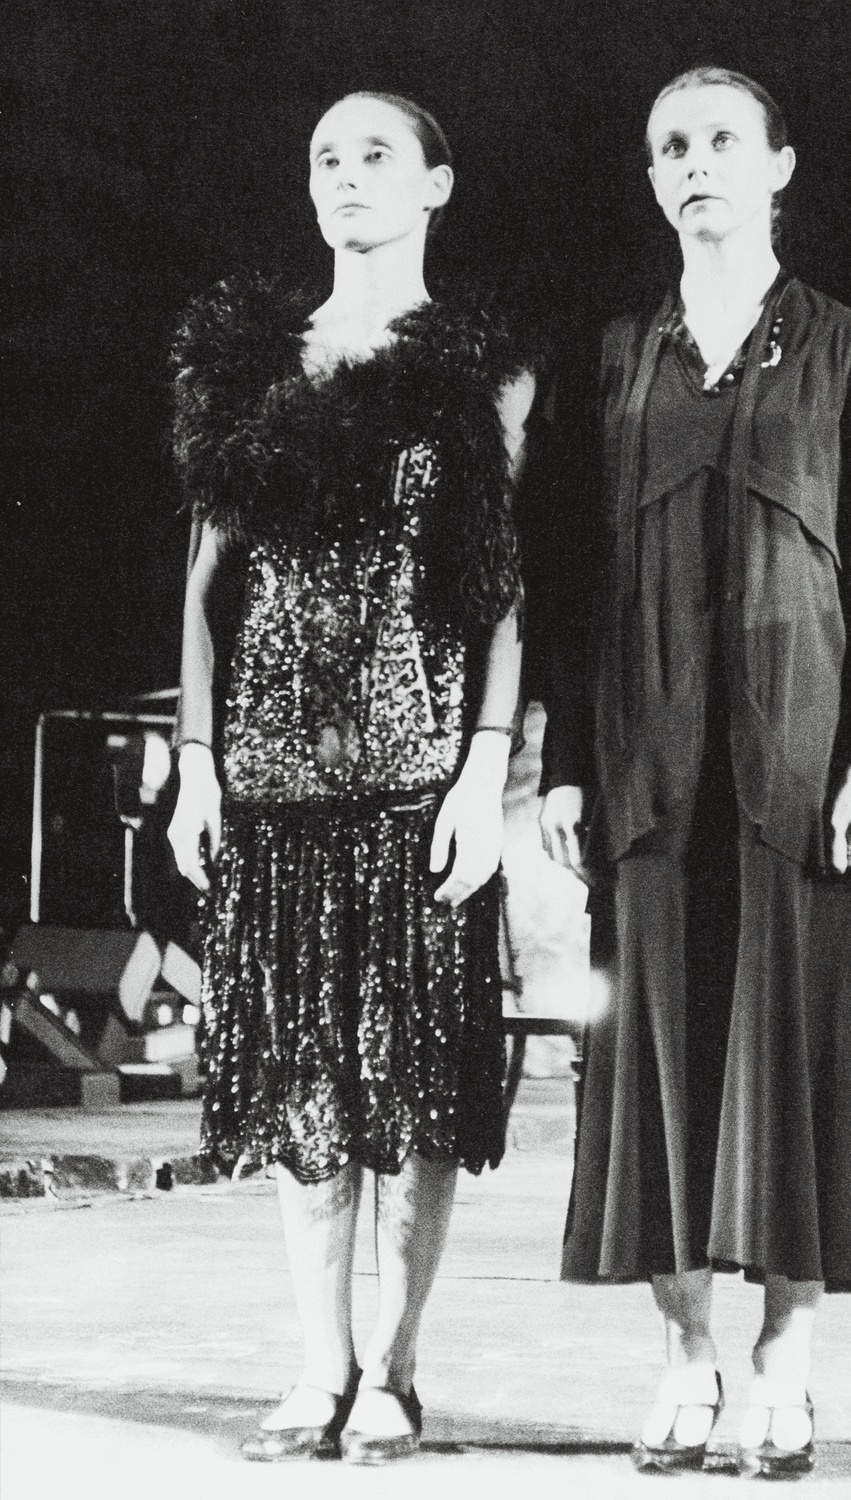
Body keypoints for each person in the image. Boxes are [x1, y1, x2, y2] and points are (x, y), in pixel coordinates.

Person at [539, 66, 851, 1478]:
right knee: (650, 1067)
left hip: (791, 766)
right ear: (651, 180)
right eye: (668, 147)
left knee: (791, 1070)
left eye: (718, 141)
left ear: (778, 166)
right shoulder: (613, 358)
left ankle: (784, 1361)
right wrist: (566, 768)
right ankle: (684, 1357)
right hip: (647, 765)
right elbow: (575, 579)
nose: (692, 163)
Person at [167, 90, 533, 1464]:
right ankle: (317, 1363)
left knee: (417, 1089)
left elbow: (500, 589)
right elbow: (205, 585)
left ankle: (396, 1367)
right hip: (270, 779)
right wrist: (199, 766)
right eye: (324, 156)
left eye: (375, 154)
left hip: (417, 777)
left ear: (436, 184)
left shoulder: (480, 365)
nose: (345, 176)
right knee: (305, 1089)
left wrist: (483, 769)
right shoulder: (247, 360)